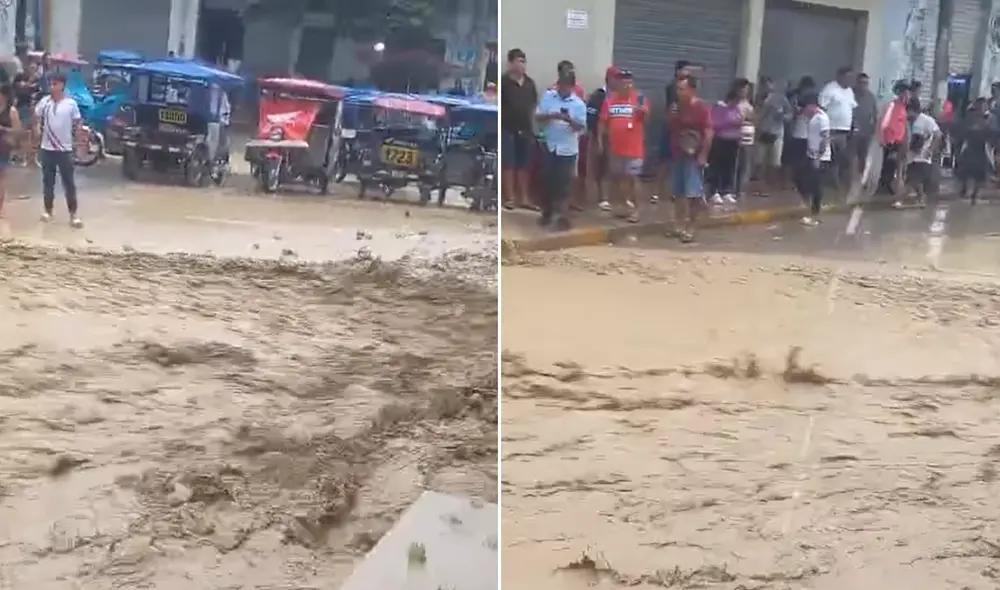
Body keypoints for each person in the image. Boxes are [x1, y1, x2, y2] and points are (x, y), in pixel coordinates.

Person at [535, 71, 586, 230]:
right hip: (550, 145)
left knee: (565, 183)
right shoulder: (549, 97)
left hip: (568, 148)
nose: (562, 88)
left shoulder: (578, 104)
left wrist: (569, 119)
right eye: (560, 85)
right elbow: (538, 117)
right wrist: (552, 115)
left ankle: (564, 216)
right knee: (547, 181)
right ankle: (547, 212)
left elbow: (581, 128)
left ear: (571, 87)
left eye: (565, 85)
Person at [667, 75, 712, 243]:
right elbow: (671, 128)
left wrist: (703, 155)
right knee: (678, 193)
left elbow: (708, 132)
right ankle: (678, 225)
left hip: (693, 156)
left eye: (682, 89)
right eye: (677, 89)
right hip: (678, 152)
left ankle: (691, 227)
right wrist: (672, 116)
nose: (678, 92)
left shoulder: (701, 108)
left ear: (691, 90)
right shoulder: (676, 107)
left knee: (692, 194)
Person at [597, 68, 647, 223]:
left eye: (629, 82)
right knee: (618, 178)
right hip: (616, 148)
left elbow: (645, 115)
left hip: (633, 149)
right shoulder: (610, 100)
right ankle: (625, 206)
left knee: (633, 178)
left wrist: (640, 110)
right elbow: (602, 122)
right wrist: (600, 141)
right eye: (623, 82)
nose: (626, 85)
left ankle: (637, 210)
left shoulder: (639, 98)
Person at [34, 73, 82, 227]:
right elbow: (36, 117)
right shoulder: (44, 102)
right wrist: (36, 129)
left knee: (69, 183)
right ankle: (48, 210)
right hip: (47, 148)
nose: (52, 86)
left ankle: (73, 214)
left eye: (55, 83)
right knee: (48, 182)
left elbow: (77, 124)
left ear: (62, 85)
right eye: (51, 84)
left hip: (65, 149)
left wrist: (80, 143)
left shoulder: (71, 104)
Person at [500, 48, 538, 211]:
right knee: (508, 164)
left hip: (525, 128)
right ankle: (509, 197)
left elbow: (533, 104)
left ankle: (524, 197)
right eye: (518, 61)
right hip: (507, 128)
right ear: (511, 63)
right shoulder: (504, 82)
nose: (521, 65)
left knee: (524, 164)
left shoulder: (529, 83)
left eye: (523, 61)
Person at [653, 60, 693, 203]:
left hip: (682, 127)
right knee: (665, 160)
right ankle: (656, 192)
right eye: (685, 70)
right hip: (671, 126)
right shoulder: (673, 87)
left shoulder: (690, 87)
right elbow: (676, 105)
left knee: (677, 161)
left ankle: (674, 191)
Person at [819, 66, 857, 188]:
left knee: (840, 158)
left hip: (845, 131)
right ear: (840, 76)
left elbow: (851, 108)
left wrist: (854, 125)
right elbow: (821, 107)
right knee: (827, 157)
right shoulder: (830, 89)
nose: (850, 80)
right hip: (831, 129)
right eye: (848, 77)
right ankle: (824, 183)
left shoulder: (849, 91)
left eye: (852, 77)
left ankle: (835, 182)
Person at [798, 92, 830, 226]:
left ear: (811, 106)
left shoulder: (821, 118)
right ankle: (810, 211)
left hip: (820, 158)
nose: (803, 111)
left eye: (804, 108)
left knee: (815, 186)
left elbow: (825, 138)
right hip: (812, 155)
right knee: (806, 183)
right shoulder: (814, 118)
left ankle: (815, 214)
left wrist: (818, 156)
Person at [585, 66, 615, 210]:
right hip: (599, 135)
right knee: (595, 167)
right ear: (608, 78)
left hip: (614, 138)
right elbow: (590, 116)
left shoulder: (620, 96)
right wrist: (595, 136)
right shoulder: (599, 95)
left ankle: (605, 197)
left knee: (608, 168)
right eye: (615, 78)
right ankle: (592, 198)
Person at [755, 76, 792, 190]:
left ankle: (769, 185)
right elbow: (755, 114)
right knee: (759, 161)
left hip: (776, 133)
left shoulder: (781, 98)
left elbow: (789, 114)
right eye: (764, 85)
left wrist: (782, 116)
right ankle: (758, 186)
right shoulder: (758, 98)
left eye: (769, 84)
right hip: (761, 132)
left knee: (774, 162)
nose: (767, 87)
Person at [902, 98, 940, 207]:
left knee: (914, 177)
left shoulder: (927, 120)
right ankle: (921, 196)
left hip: (923, 154)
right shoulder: (907, 121)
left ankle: (909, 197)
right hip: (911, 153)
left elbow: (937, 134)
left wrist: (931, 149)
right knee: (912, 177)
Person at [707, 89, 742, 205]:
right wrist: (730, 122)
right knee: (717, 167)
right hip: (721, 140)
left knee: (729, 167)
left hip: (733, 141)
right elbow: (715, 123)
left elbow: (740, 118)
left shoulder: (736, 109)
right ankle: (714, 191)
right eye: (735, 100)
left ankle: (726, 191)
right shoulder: (720, 108)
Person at [877, 80, 911, 196]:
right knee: (890, 166)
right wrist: (889, 140)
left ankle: (889, 188)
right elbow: (887, 124)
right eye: (905, 93)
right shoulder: (894, 106)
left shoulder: (902, 108)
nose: (907, 96)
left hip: (898, 141)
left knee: (895, 166)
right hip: (893, 142)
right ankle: (885, 189)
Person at [955, 98, 991, 204]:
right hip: (970, 147)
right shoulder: (971, 116)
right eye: (982, 106)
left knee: (979, 174)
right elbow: (963, 132)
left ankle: (974, 195)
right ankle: (965, 190)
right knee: (966, 171)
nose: (983, 108)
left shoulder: (987, 118)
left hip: (981, 147)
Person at [784, 76, 815, 187]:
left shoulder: (812, 99)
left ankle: (799, 181)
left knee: (802, 159)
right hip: (795, 132)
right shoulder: (795, 98)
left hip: (806, 133)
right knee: (791, 159)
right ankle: (788, 181)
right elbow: (790, 114)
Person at [0, 84, 22, 218]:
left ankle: (0, 207)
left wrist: (3, 129)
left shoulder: (11, 111)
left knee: (1, 178)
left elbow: (18, 131)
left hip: (3, 146)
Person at [13, 62, 39, 166]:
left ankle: (33, 158)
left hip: (31, 108)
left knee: (36, 134)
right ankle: (22, 157)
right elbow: (18, 90)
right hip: (21, 108)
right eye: (32, 67)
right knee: (24, 135)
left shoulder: (37, 80)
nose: (33, 70)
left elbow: (36, 91)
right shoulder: (20, 78)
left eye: (35, 68)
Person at [852, 72, 877, 179]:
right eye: (861, 83)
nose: (863, 85)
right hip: (852, 131)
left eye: (866, 83)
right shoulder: (850, 94)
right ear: (857, 83)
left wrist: (874, 129)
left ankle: (860, 177)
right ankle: (849, 177)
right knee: (851, 155)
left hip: (866, 131)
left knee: (863, 155)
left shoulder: (871, 97)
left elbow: (875, 113)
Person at [734, 78, 755, 198]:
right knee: (737, 164)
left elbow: (754, 119)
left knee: (745, 164)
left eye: (747, 89)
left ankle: (740, 189)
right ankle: (733, 189)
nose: (745, 91)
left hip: (748, 138)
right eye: (743, 89)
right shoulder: (735, 104)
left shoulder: (749, 104)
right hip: (737, 137)